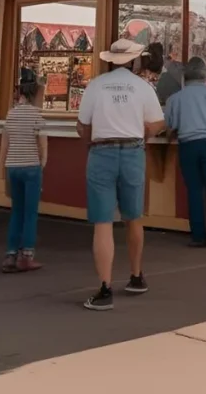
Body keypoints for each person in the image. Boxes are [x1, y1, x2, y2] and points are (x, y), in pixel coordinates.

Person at [76, 39, 165, 311]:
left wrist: (95, 138)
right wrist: (143, 132)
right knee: (133, 216)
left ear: (110, 59)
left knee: (103, 222)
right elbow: (159, 122)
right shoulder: (143, 87)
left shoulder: (96, 85)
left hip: (101, 152)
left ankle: (105, 288)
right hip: (132, 152)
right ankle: (136, 276)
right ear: (135, 60)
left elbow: (82, 127)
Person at [164, 57, 206, 248]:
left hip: (187, 145)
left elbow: (170, 129)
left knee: (194, 190)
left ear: (185, 77)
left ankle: (198, 235)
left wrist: (170, 137)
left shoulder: (175, 99)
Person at [0, 71, 48, 273]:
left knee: (16, 212)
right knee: (30, 214)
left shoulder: (11, 114)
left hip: (13, 166)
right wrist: (41, 165)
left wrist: (2, 170)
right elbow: (43, 146)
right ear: (36, 93)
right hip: (31, 166)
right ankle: (26, 256)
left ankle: (10, 254)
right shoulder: (37, 116)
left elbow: (4, 145)